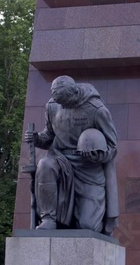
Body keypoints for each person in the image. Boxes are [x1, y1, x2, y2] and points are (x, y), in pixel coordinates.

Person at [24, 75, 119, 236]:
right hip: (61, 160)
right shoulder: (53, 105)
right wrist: (37, 138)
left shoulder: (96, 109)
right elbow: (50, 135)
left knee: (88, 227)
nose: (62, 106)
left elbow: (112, 146)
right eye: (59, 102)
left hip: (88, 168)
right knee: (45, 164)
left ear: (74, 93)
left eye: (65, 102)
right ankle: (48, 218)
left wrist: (97, 156)